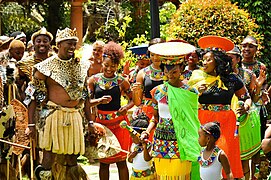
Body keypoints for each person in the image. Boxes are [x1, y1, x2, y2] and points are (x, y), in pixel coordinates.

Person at [25, 27, 91, 179]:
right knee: (49, 156)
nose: (72, 47)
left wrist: (91, 122)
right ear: (59, 44)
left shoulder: (81, 66)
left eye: (74, 44)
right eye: (69, 43)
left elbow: (85, 96)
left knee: (72, 158)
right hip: (53, 116)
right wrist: (31, 125)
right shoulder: (44, 67)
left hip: (74, 116)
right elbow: (32, 98)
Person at [188, 35, 252, 179]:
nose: (204, 63)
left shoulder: (232, 79)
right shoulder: (197, 77)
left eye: (208, 59)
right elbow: (186, 100)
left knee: (225, 154)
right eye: (203, 59)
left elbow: (246, 98)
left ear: (217, 61)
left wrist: (245, 107)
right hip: (203, 122)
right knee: (203, 153)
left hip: (226, 123)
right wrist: (196, 92)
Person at [140, 42, 201, 179]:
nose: (170, 75)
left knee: (180, 174)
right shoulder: (158, 92)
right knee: (162, 174)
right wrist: (147, 131)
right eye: (167, 72)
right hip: (161, 140)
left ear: (181, 70)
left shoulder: (190, 92)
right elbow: (155, 118)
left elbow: (193, 118)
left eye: (174, 72)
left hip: (181, 139)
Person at [87, 41, 134, 180]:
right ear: (101, 61)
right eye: (106, 65)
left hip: (119, 124)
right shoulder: (93, 81)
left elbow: (134, 100)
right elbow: (87, 102)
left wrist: (125, 107)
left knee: (121, 161)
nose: (109, 69)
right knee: (104, 162)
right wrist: (99, 101)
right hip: (101, 124)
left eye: (113, 66)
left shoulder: (121, 81)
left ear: (117, 65)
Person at [227, 46, 264, 179]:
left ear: (238, 59)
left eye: (231, 58)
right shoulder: (220, 75)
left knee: (244, 157)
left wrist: (258, 87)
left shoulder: (247, 74)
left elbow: (253, 99)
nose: (228, 60)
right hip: (227, 117)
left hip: (245, 118)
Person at [132, 38, 165, 120]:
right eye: (152, 54)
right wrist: (135, 91)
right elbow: (138, 102)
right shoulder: (142, 73)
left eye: (158, 54)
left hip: (167, 111)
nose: (155, 58)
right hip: (148, 113)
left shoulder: (171, 71)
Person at [17, 27, 54, 101]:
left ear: (49, 44)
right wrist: (26, 102)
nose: (42, 43)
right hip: (33, 105)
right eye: (39, 41)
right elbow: (19, 87)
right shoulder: (24, 64)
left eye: (45, 41)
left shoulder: (55, 61)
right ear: (33, 44)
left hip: (53, 105)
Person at [127, 113, 156, 180]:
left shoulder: (150, 145)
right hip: (135, 176)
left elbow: (147, 159)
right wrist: (131, 156)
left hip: (147, 177)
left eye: (133, 136)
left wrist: (145, 147)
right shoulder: (133, 146)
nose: (132, 138)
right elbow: (130, 161)